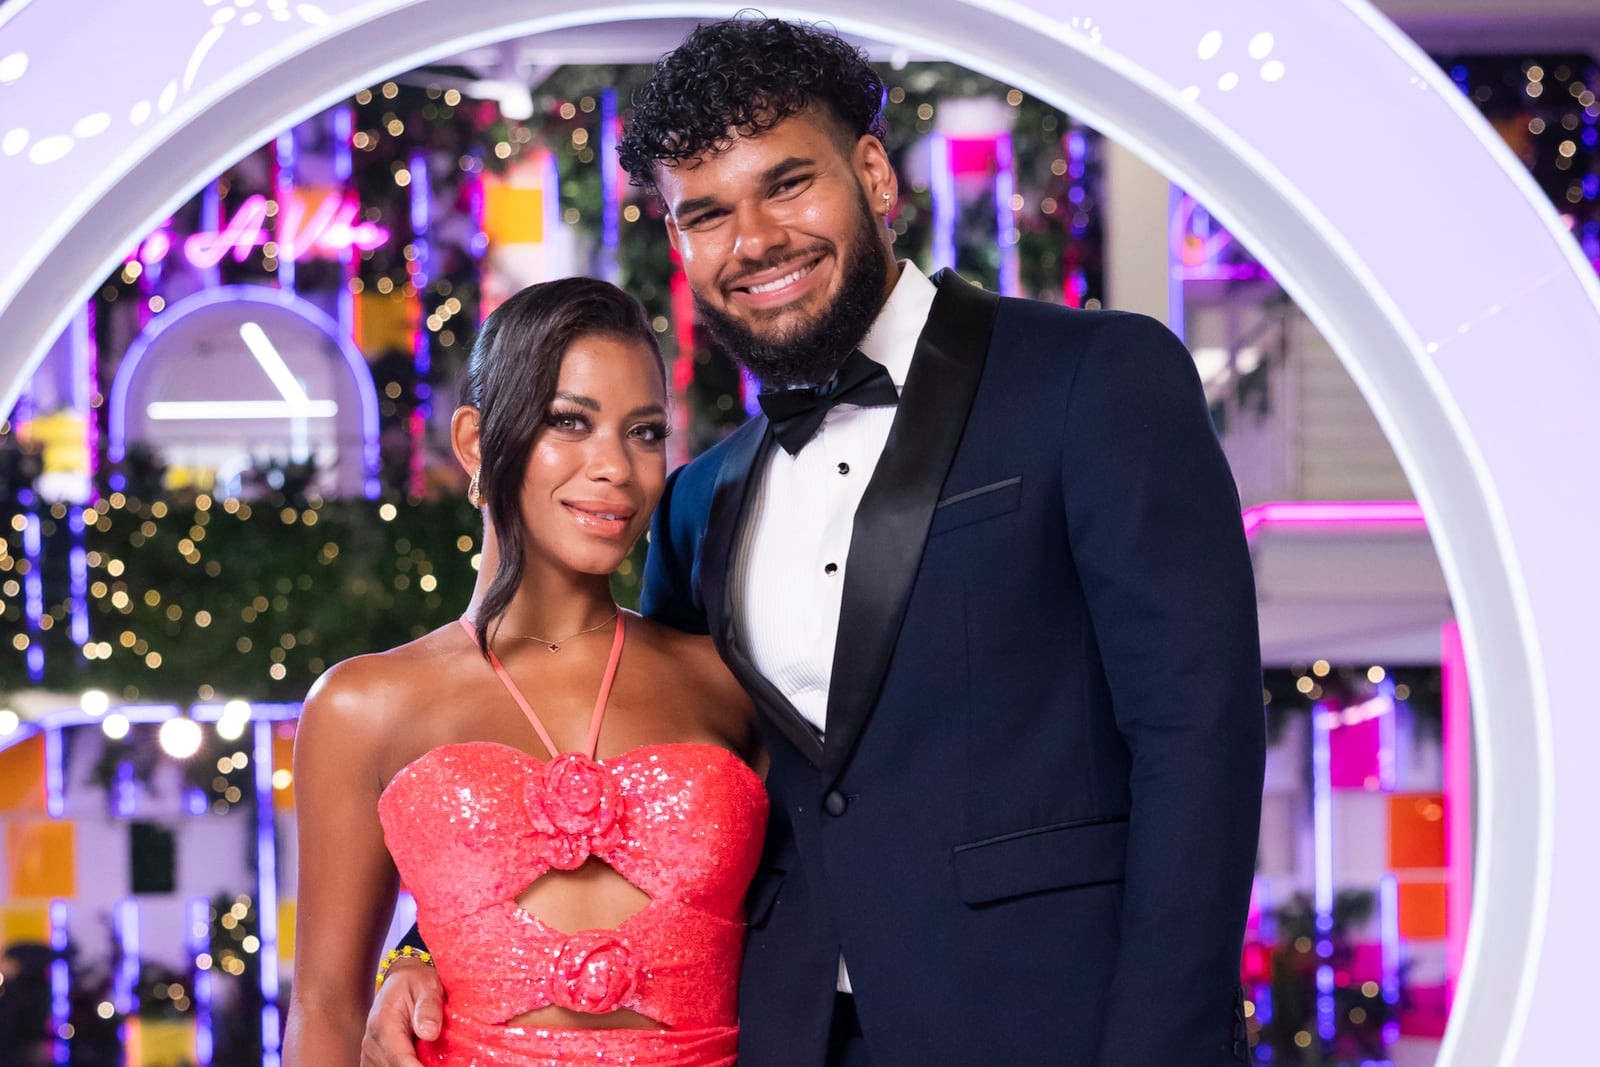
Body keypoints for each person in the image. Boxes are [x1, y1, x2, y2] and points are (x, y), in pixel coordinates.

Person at [368, 16, 1265, 1066]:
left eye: (787, 184)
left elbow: (1195, 740)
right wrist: (427, 947)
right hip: (777, 1032)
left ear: (874, 175)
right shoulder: (702, 497)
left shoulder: (1094, 378)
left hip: (1050, 1024)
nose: (752, 240)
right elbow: (614, 765)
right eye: (705, 213)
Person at [284, 277, 765, 1067]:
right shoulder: (359, 706)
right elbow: (325, 1006)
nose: (614, 466)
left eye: (644, 433)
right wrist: (414, 958)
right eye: (570, 422)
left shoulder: (724, 683)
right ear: (475, 441)